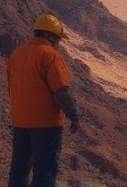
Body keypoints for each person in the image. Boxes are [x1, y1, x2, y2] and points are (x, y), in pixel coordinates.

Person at [8, 14, 81, 187]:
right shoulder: (50, 55)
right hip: (46, 124)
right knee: (45, 172)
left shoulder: (17, 53)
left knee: (19, 171)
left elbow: (12, 86)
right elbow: (62, 91)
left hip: (20, 121)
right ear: (50, 36)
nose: (58, 43)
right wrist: (74, 116)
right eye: (58, 39)